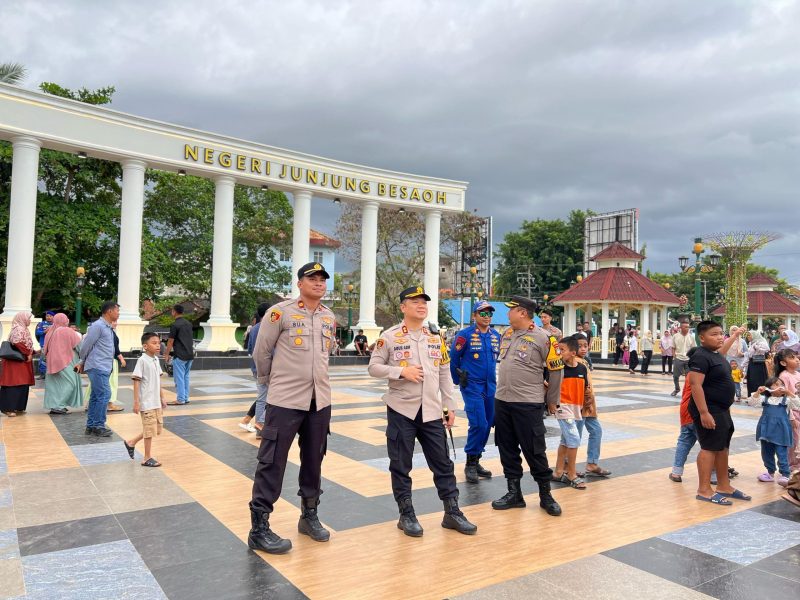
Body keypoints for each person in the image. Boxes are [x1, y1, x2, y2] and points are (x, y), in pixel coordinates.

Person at [369, 285, 477, 537]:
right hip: (401, 410)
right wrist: (400, 371)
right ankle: (406, 514)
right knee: (401, 464)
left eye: (424, 302)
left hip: (431, 410)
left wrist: (449, 405)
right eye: (415, 301)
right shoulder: (390, 336)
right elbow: (373, 367)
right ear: (403, 307)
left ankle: (452, 512)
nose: (421, 305)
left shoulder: (435, 337)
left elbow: (444, 372)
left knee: (443, 463)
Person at [248, 262, 336, 555]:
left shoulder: (328, 316)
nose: (319, 283)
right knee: (272, 461)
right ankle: (259, 528)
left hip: (319, 401)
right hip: (285, 400)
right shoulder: (279, 313)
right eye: (312, 278)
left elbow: (325, 355)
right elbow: (261, 352)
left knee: (314, 460)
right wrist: (270, 383)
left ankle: (309, 515)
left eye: (322, 279)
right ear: (299, 283)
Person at [491, 296, 563, 517]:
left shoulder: (544, 338)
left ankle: (545, 495)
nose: (508, 313)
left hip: (528, 403)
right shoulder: (507, 334)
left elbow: (556, 371)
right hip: (503, 400)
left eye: (511, 310)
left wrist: (552, 400)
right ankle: (514, 493)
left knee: (534, 450)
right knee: (507, 448)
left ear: (522, 312)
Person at [689, 321, 750, 505]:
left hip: (722, 409)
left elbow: (723, 349)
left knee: (722, 447)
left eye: (721, 334)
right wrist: (704, 412)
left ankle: (724, 486)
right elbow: (695, 385)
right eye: (713, 334)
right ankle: (704, 490)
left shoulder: (715, 354)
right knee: (709, 447)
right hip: (709, 409)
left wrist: (735, 335)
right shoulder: (700, 356)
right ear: (702, 338)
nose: (719, 337)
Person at [450, 300, 501, 483]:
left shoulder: (496, 335)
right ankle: (470, 464)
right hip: (472, 386)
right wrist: (458, 381)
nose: (486, 317)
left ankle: (477, 459)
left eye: (489, 313)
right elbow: (454, 359)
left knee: (488, 424)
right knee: (478, 423)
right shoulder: (464, 335)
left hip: (490, 386)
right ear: (474, 315)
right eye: (482, 313)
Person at [123, 332, 167, 467]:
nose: (158, 345)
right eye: (154, 343)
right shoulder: (142, 360)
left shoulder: (156, 360)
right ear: (145, 346)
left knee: (154, 429)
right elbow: (136, 381)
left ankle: (131, 442)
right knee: (149, 430)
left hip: (155, 401)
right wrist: (136, 402)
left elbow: (158, 380)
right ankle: (146, 458)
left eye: (158, 343)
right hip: (147, 402)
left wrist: (162, 397)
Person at [747, 375, 798, 488]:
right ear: (769, 387)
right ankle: (770, 473)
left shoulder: (786, 400)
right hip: (766, 431)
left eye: (782, 384)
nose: (780, 386)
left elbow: (797, 404)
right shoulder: (765, 399)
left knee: (782, 453)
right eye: (776, 384)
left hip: (781, 431)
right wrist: (758, 392)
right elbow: (751, 402)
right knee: (766, 452)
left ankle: (785, 474)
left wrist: (789, 392)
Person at [78, 301, 119, 437]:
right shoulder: (98, 326)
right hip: (97, 366)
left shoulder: (108, 327)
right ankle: (98, 425)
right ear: (109, 311)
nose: (118, 314)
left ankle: (91, 426)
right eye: (117, 311)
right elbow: (86, 345)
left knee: (96, 396)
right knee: (105, 394)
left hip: (104, 366)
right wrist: (81, 360)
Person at [551, 336, 587, 490]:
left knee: (566, 440)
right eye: (558, 349)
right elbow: (549, 385)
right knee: (574, 438)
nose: (559, 352)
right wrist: (550, 403)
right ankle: (571, 474)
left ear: (573, 352)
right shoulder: (558, 368)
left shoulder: (582, 368)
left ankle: (558, 472)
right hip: (562, 406)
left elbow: (585, 388)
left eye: (562, 350)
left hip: (576, 408)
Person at [575, 335, 610, 477]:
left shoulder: (584, 361)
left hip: (589, 406)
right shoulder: (574, 362)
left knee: (596, 431)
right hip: (580, 405)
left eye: (585, 346)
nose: (583, 349)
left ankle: (592, 463)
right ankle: (566, 466)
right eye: (579, 346)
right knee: (574, 436)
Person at [42, 313, 83, 415]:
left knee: (54, 385)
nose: (68, 320)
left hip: (52, 361)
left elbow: (45, 348)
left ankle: (55, 405)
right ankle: (59, 406)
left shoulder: (50, 331)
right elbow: (79, 345)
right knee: (71, 383)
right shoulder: (67, 330)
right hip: (66, 361)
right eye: (66, 318)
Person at [242, 302, 270, 435]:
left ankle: (259, 430)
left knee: (261, 399)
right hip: (269, 368)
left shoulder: (253, 329)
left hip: (256, 367)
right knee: (279, 397)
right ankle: (261, 423)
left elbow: (249, 349)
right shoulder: (270, 327)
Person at [0, 311, 35, 417]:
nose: (29, 321)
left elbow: (26, 344)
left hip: (21, 361)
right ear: (22, 319)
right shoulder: (18, 329)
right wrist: (27, 353)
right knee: (14, 383)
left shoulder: (23, 329)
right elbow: (17, 342)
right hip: (15, 362)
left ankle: (18, 407)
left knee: (22, 384)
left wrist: (31, 352)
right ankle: (8, 408)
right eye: (28, 318)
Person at [774, 348, 800, 473]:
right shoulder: (784, 376)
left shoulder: (797, 374)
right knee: (794, 440)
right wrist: (791, 418)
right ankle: (792, 466)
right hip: (792, 413)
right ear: (783, 363)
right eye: (792, 358)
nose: (797, 359)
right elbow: (783, 399)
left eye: (796, 357)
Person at [164, 304, 194, 405]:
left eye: (172, 311)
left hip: (180, 355)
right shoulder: (188, 324)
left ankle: (180, 399)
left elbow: (170, 341)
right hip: (190, 354)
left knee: (179, 378)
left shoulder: (175, 325)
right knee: (186, 377)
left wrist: (166, 354)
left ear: (174, 312)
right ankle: (185, 398)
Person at [671, 320, 696, 396]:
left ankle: (687, 391)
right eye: (685, 327)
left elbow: (693, 348)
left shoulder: (691, 337)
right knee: (675, 376)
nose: (687, 328)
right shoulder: (675, 336)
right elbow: (673, 347)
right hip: (678, 358)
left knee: (688, 377)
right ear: (681, 328)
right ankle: (677, 389)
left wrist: (692, 358)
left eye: (688, 327)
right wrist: (674, 357)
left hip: (688, 359)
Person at [743, 331, 770, 396]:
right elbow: (749, 354)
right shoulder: (751, 343)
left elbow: (767, 349)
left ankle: (760, 396)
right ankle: (752, 396)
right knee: (751, 381)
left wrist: (757, 347)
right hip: (752, 364)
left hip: (759, 364)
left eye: (749, 335)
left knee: (758, 380)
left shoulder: (761, 342)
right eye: (747, 335)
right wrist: (744, 365)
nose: (748, 337)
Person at [34, 311, 55, 379]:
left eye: (50, 316)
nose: (48, 317)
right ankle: (42, 374)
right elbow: (37, 332)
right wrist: (44, 332)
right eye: (47, 316)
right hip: (44, 344)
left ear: (54, 317)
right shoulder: (41, 324)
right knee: (43, 359)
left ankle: (52, 374)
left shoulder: (56, 324)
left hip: (54, 345)